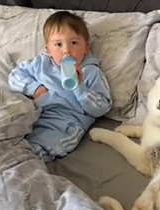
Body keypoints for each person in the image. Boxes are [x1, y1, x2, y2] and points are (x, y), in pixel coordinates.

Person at [8, 11, 112, 162]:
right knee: (6, 128)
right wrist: (35, 88)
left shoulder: (91, 72)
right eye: (58, 44)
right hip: (34, 110)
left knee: (36, 149)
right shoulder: (40, 63)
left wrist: (80, 87)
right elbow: (15, 76)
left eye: (74, 43)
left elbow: (102, 107)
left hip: (64, 120)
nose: (66, 50)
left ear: (85, 47)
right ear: (48, 49)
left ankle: (24, 163)